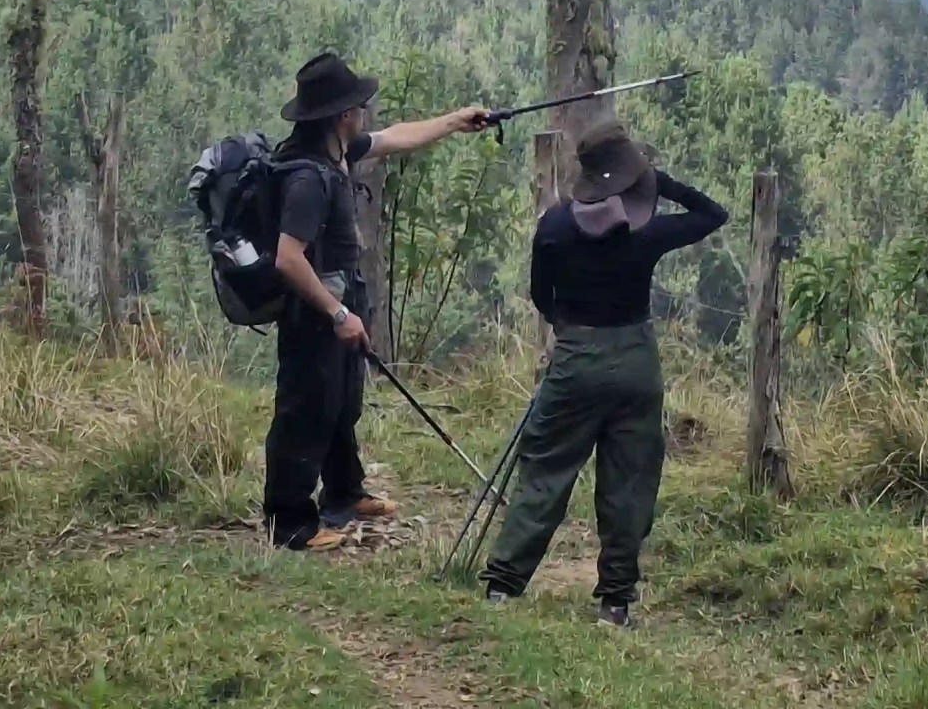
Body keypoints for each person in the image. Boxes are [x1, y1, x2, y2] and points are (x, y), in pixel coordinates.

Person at [483, 119, 727, 626]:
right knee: (629, 480)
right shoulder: (648, 233)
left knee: (546, 469)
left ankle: (504, 587)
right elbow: (711, 214)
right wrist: (657, 180)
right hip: (636, 363)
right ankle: (614, 603)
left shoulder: (553, 225)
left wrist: (568, 329)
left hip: (576, 356)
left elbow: (540, 294)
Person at [263, 50, 490, 551]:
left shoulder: (336, 152)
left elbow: (394, 139)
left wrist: (455, 121)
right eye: (359, 107)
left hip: (341, 298)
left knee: (342, 401)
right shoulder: (306, 177)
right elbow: (288, 258)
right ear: (343, 115)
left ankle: (344, 493)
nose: (365, 114)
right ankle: (290, 523)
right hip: (316, 308)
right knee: (305, 409)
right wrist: (337, 312)